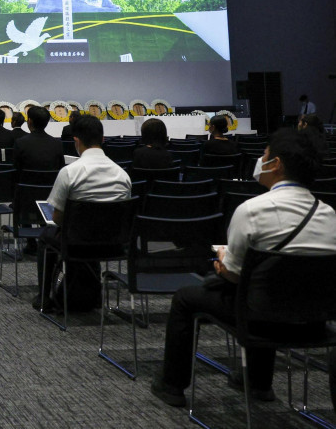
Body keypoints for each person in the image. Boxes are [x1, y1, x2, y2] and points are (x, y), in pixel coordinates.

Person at [151, 129, 336, 408]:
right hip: (314, 324)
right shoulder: (330, 214)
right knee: (272, 286)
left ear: (277, 164)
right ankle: (258, 383)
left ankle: (172, 385)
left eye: (264, 155)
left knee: (187, 298)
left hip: (259, 320)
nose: (260, 160)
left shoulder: (251, 210)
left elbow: (235, 274)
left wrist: (222, 263)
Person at [35, 114, 132, 311]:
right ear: (102, 140)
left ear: (76, 141)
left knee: (46, 236)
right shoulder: (123, 175)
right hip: (114, 245)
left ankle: (44, 297)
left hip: (76, 243)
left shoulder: (69, 172)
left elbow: (57, 217)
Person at [13, 106, 65, 173]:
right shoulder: (57, 144)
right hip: (51, 183)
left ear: (29, 121)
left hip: (26, 182)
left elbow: (16, 170)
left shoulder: (20, 143)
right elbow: (61, 170)